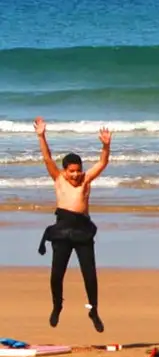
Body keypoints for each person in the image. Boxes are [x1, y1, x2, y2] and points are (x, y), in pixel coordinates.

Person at [34, 118, 111, 331]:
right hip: (62, 231)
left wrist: (106, 146)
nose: (75, 174)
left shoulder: (86, 180)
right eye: (71, 171)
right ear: (64, 171)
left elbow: (102, 163)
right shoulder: (58, 179)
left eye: (78, 170)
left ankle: (93, 310)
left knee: (90, 275)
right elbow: (47, 158)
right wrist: (41, 136)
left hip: (82, 231)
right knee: (56, 275)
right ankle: (57, 305)